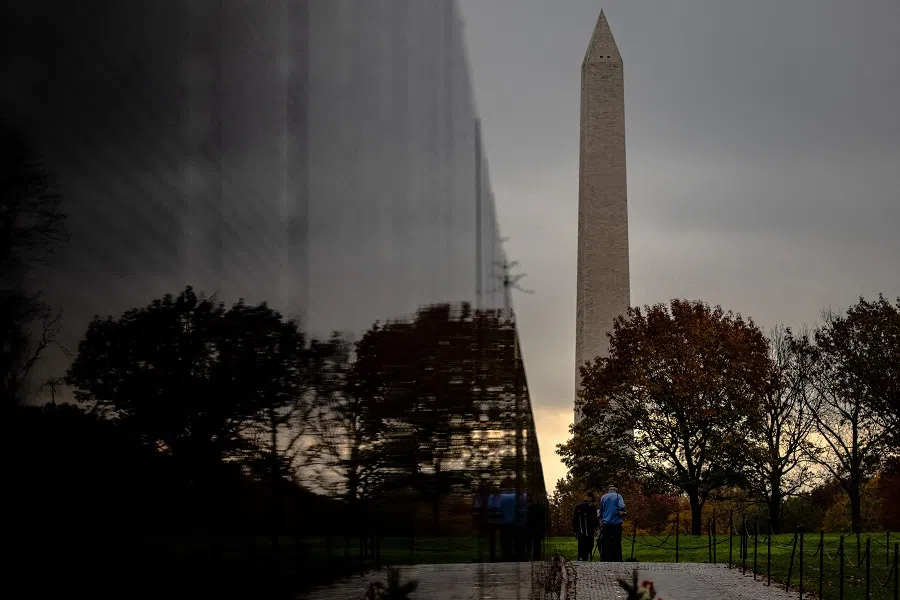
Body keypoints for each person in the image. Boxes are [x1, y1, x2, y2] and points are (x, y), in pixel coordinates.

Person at [598, 485, 626, 562]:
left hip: (606, 523)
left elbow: (601, 510)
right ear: (616, 490)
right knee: (616, 541)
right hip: (616, 523)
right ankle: (617, 558)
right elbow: (621, 507)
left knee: (606, 541)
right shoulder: (618, 496)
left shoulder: (603, 497)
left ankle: (606, 558)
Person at [571, 491, 599, 561]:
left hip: (580, 530)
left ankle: (581, 558)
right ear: (590, 498)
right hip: (589, 530)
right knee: (590, 545)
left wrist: (575, 530)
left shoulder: (578, 506)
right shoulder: (592, 507)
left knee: (581, 545)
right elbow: (594, 519)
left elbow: (574, 519)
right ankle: (585, 557)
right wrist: (596, 528)